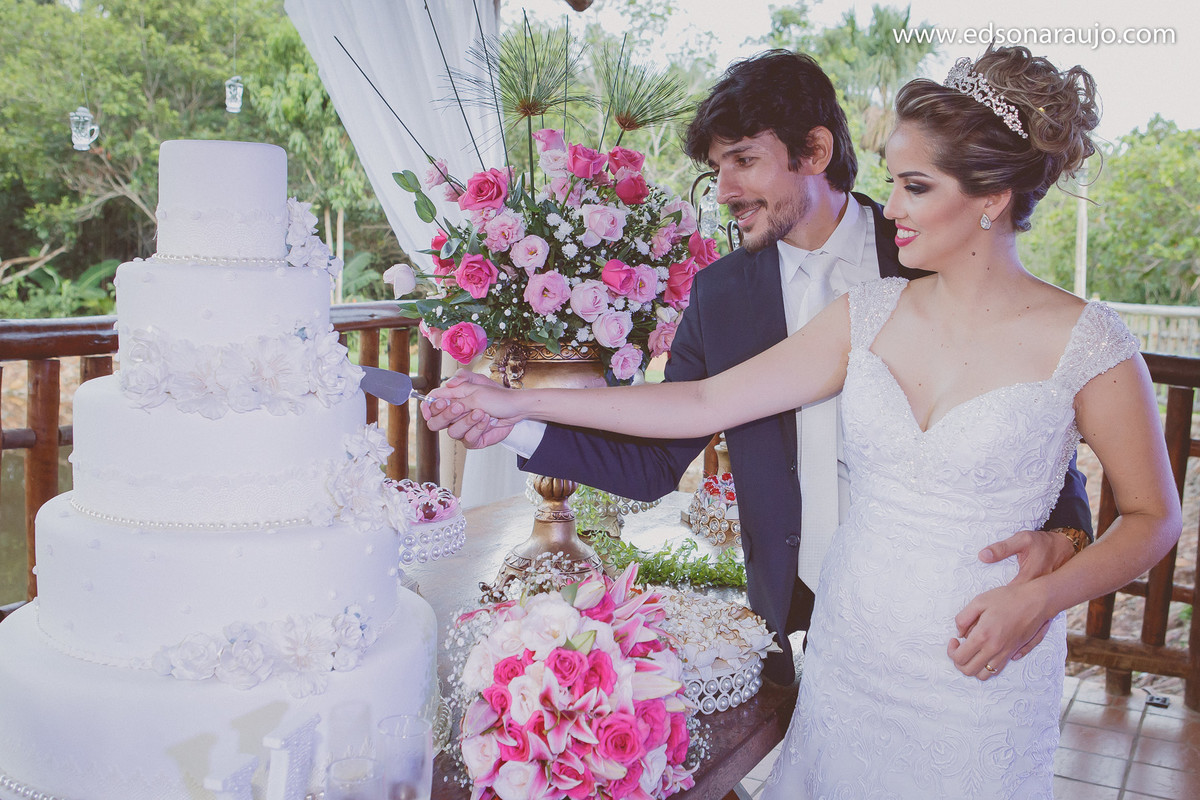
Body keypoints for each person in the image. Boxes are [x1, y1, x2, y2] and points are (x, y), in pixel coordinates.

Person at [428, 46, 1182, 795]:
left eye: (916, 186)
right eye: (895, 182)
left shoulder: (1087, 339)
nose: (893, 206)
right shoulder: (864, 312)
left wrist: (1048, 587)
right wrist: (519, 402)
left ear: (992, 197)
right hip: (849, 650)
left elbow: (1140, 510)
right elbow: (701, 402)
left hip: (986, 665)